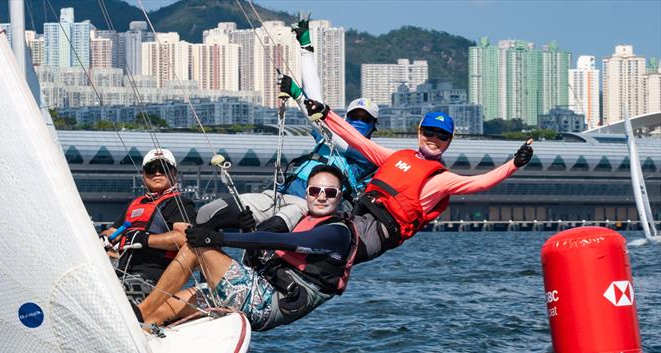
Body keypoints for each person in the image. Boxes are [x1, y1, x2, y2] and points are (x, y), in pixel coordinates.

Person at [195, 17, 378, 233]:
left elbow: (326, 127)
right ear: (345, 119)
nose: (359, 122)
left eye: (365, 119)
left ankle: (257, 254)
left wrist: (298, 97)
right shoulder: (326, 135)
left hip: (306, 208)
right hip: (277, 196)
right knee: (207, 213)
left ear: (374, 126)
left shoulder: (369, 156)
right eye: (354, 116)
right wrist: (305, 48)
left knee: (270, 228)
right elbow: (314, 96)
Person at [303, 99, 534, 263]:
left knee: (333, 249)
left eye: (442, 135)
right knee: (314, 231)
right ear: (419, 132)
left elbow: (481, 182)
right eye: (429, 132)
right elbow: (358, 141)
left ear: (449, 140)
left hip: (380, 232)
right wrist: (327, 114)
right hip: (359, 213)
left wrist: (514, 163)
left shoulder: (444, 179)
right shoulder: (395, 156)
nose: (434, 139)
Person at [136, 165, 357, 332]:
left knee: (196, 247)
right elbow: (259, 246)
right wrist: (243, 227)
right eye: (315, 190)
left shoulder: (337, 233)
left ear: (339, 197)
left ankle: (138, 314)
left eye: (330, 192)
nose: (321, 196)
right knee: (164, 309)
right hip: (255, 289)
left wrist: (215, 238)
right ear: (307, 193)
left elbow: (275, 241)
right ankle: (143, 333)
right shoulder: (303, 218)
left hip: (267, 304)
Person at [101, 148, 196, 297]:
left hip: (156, 277)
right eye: (152, 169)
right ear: (144, 175)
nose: (157, 173)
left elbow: (182, 238)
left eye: (164, 168)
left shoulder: (181, 203)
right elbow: (114, 231)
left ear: (174, 173)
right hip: (122, 272)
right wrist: (103, 238)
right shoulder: (135, 204)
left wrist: (143, 238)